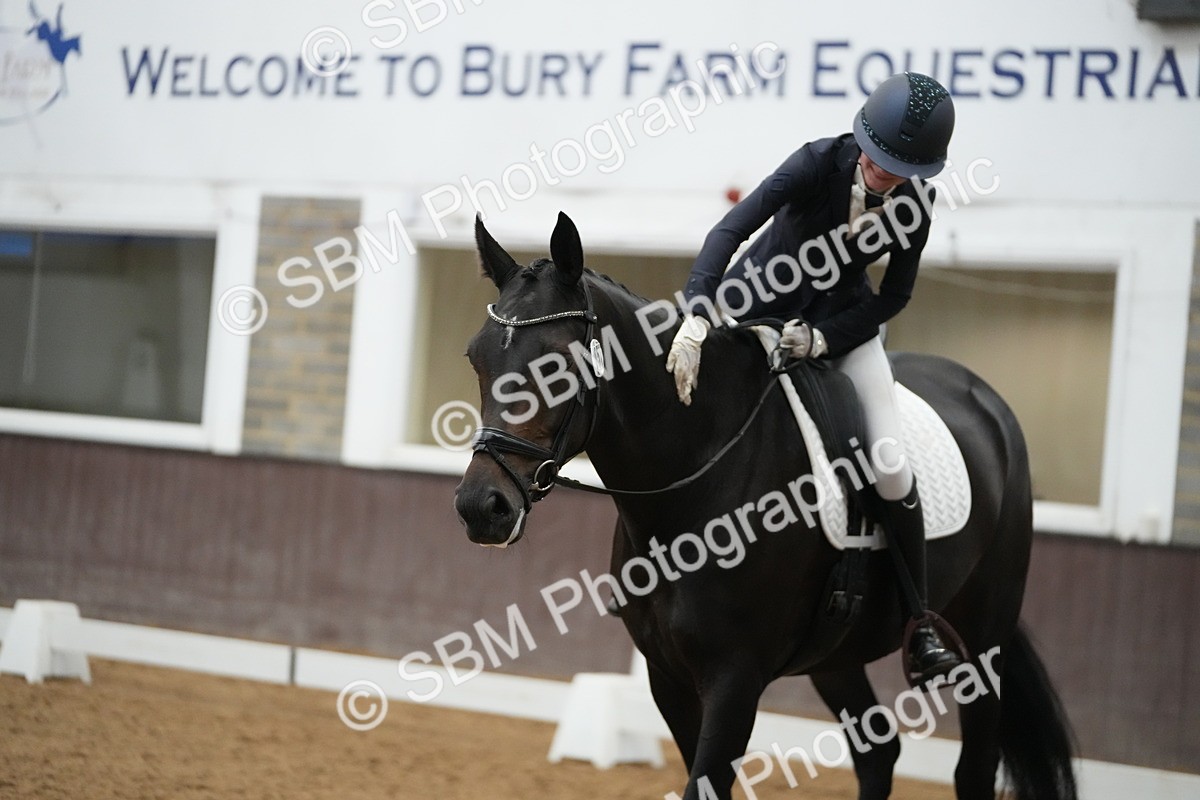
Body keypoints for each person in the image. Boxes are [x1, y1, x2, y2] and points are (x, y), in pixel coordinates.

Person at [665, 72, 962, 683]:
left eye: (901, 167)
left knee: (888, 461)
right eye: (878, 160)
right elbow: (732, 229)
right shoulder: (815, 163)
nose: (884, 174)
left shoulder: (916, 207)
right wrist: (699, 309)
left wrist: (828, 338)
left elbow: (894, 296)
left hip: (840, 331)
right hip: (754, 311)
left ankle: (920, 622)